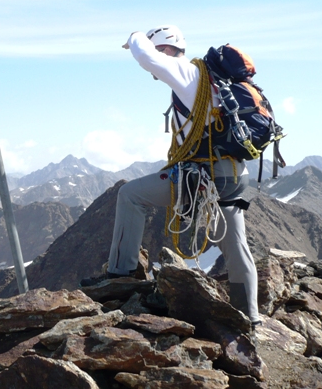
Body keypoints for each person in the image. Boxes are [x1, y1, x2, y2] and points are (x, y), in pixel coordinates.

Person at [83, 25, 260, 326]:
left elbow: (145, 57)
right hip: (231, 173)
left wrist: (134, 37)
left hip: (204, 175)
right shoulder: (212, 80)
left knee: (131, 195)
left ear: (165, 49)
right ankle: (250, 317)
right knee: (235, 245)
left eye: (158, 51)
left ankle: (119, 276)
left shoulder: (185, 72)